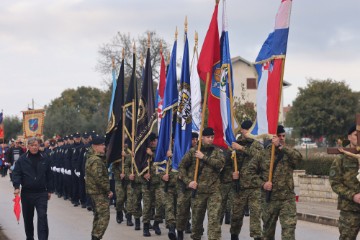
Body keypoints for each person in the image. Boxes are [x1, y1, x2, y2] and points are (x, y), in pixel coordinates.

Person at [248, 125, 302, 240]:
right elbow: (249, 173)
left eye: (283, 136)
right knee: (267, 233)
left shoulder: (288, 152)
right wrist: (263, 184)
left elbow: (299, 158)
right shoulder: (262, 155)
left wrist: (281, 147)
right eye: (279, 136)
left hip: (287, 199)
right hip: (269, 200)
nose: (281, 138)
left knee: (289, 230)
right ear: (272, 137)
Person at [179, 127, 225, 240]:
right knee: (197, 221)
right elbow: (181, 167)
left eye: (212, 137)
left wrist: (204, 157)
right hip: (198, 191)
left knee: (214, 220)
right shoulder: (193, 151)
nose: (210, 139)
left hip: (214, 191)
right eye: (208, 137)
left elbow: (220, 164)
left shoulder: (217, 152)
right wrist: (188, 182)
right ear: (202, 138)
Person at [12, 137, 53, 240]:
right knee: (28, 219)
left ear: (39, 146)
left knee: (42, 217)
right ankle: (29, 237)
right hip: (27, 194)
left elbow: (49, 174)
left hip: (41, 193)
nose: (34, 147)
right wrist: (16, 187)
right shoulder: (22, 159)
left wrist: (49, 190)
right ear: (28, 146)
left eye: (36, 145)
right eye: (32, 145)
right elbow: (16, 174)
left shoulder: (45, 157)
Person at [230, 120, 263, 240]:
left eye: (246, 130)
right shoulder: (236, 144)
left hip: (254, 186)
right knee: (237, 215)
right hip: (240, 186)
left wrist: (242, 148)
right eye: (243, 130)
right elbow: (229, 164)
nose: (244, 132)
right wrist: (232, 174)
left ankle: (256, 236)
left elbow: (259, 156)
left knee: (255, 214)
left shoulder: (257, 144)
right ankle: (234, 234)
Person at [329, 124, 360, 240]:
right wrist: (353, 196)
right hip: (349, 210)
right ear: (349, 137)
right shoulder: (341, 159)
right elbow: (335, 182)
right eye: (356, 135)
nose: (359, 137)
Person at [85, 135, 113, 240]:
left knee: (98, 216)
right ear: (95, 146)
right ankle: (96, 236)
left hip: (95, 191)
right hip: (99, 192)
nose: (104, 147)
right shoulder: (96, 160)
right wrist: (108, 190)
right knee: (104, 216)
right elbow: (99, 178)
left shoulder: (93, 157)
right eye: (102, 145)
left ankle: (95, 236)